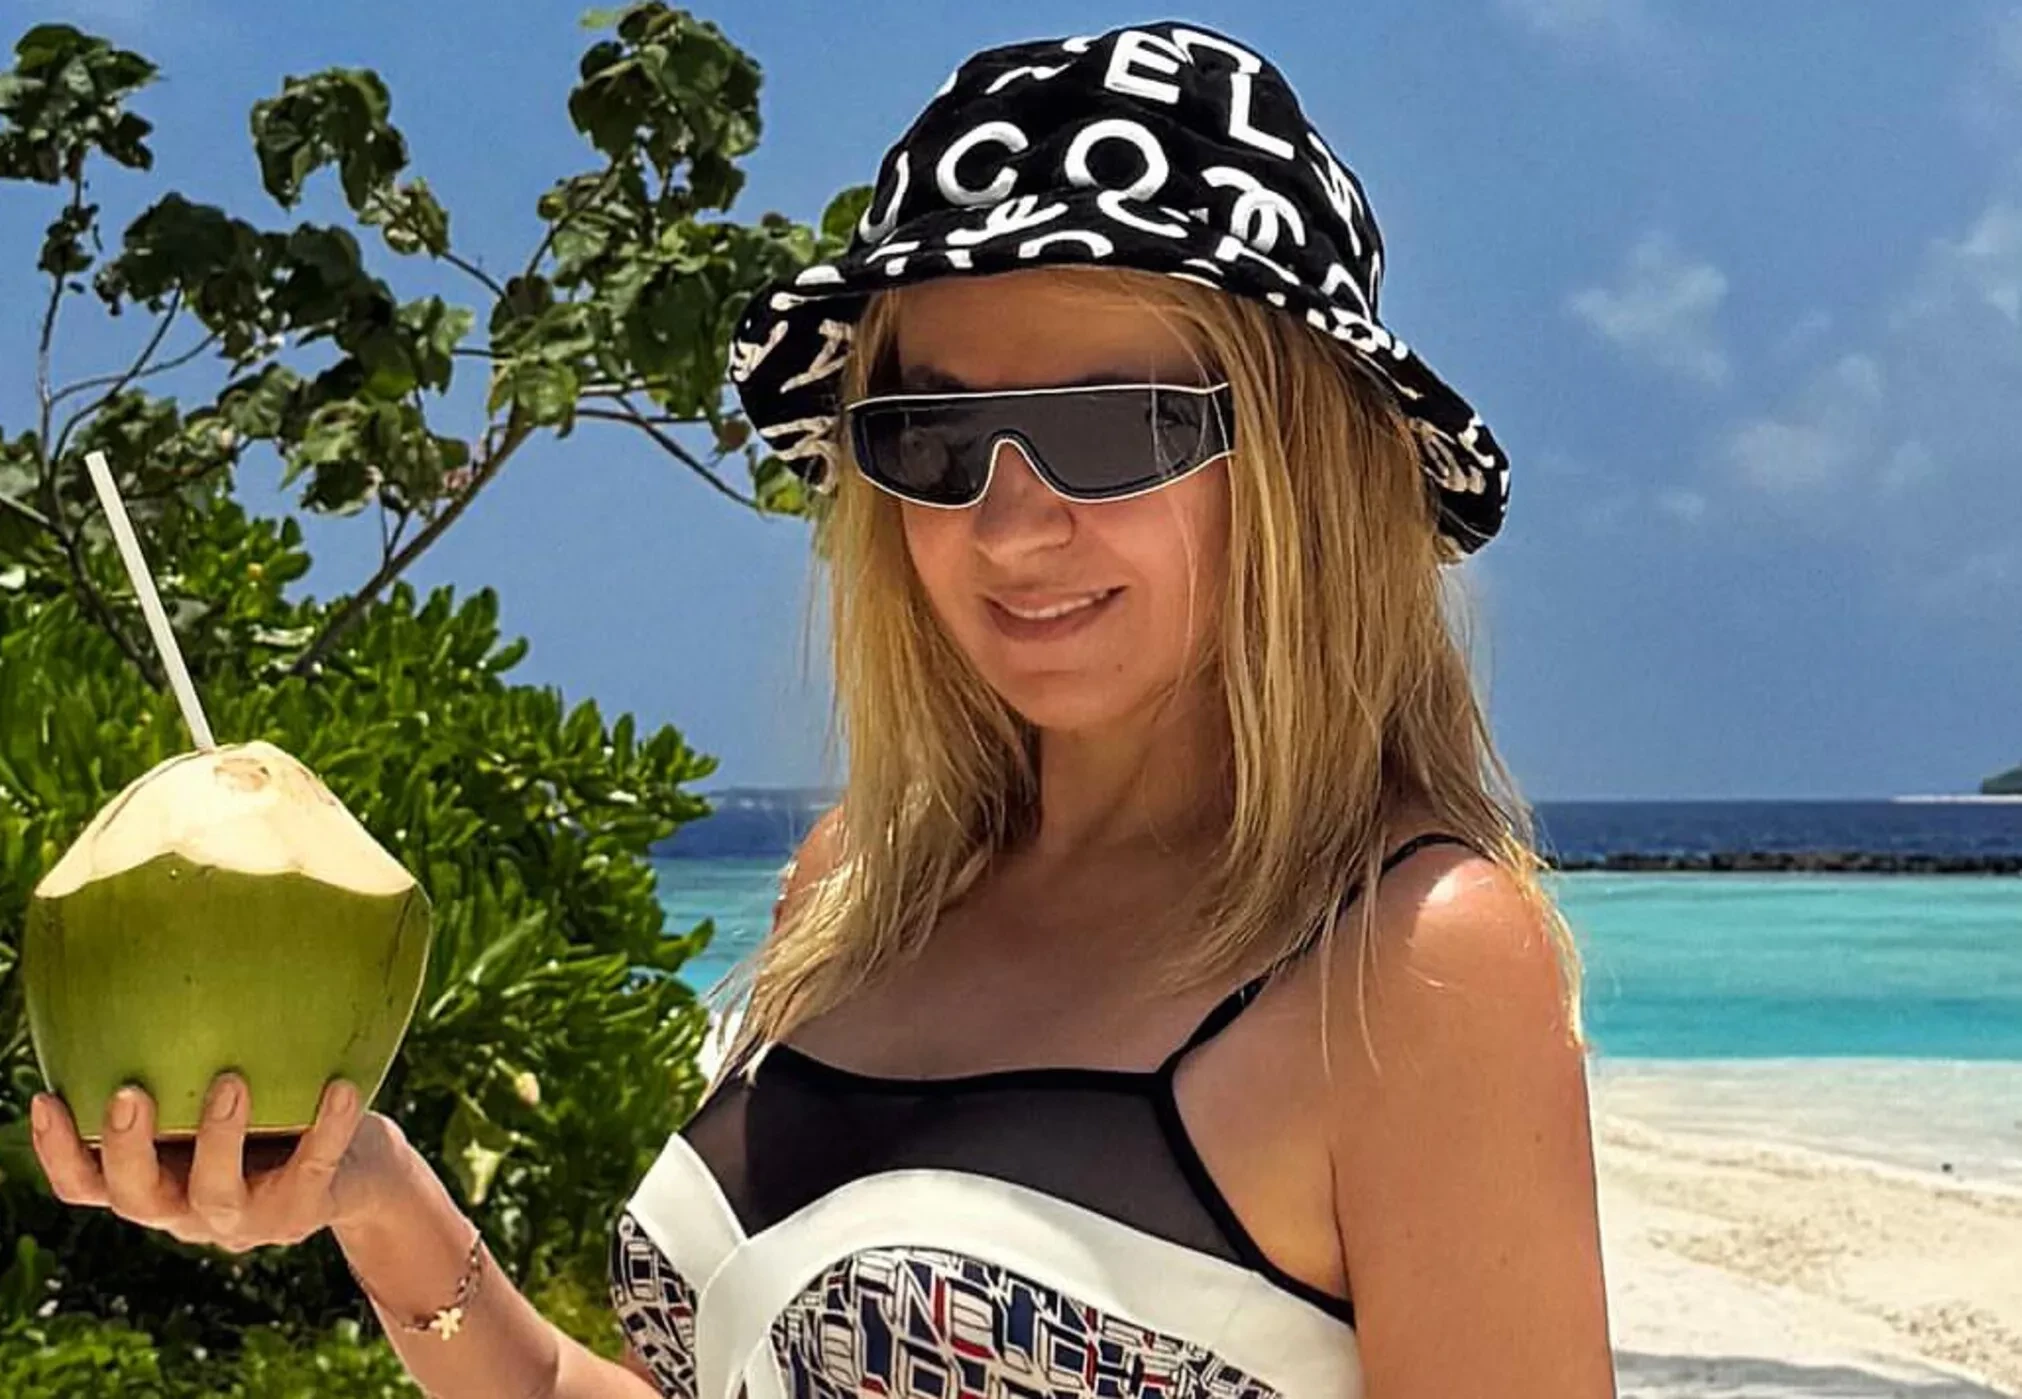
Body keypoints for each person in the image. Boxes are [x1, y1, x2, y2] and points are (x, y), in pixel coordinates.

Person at [27, 18, 1616, 1399]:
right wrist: (371, 1196)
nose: (1009, 523)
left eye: (1111, 427)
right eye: (933, 437)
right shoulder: (864, 884)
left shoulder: (1413, 961)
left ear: (1306, 467)